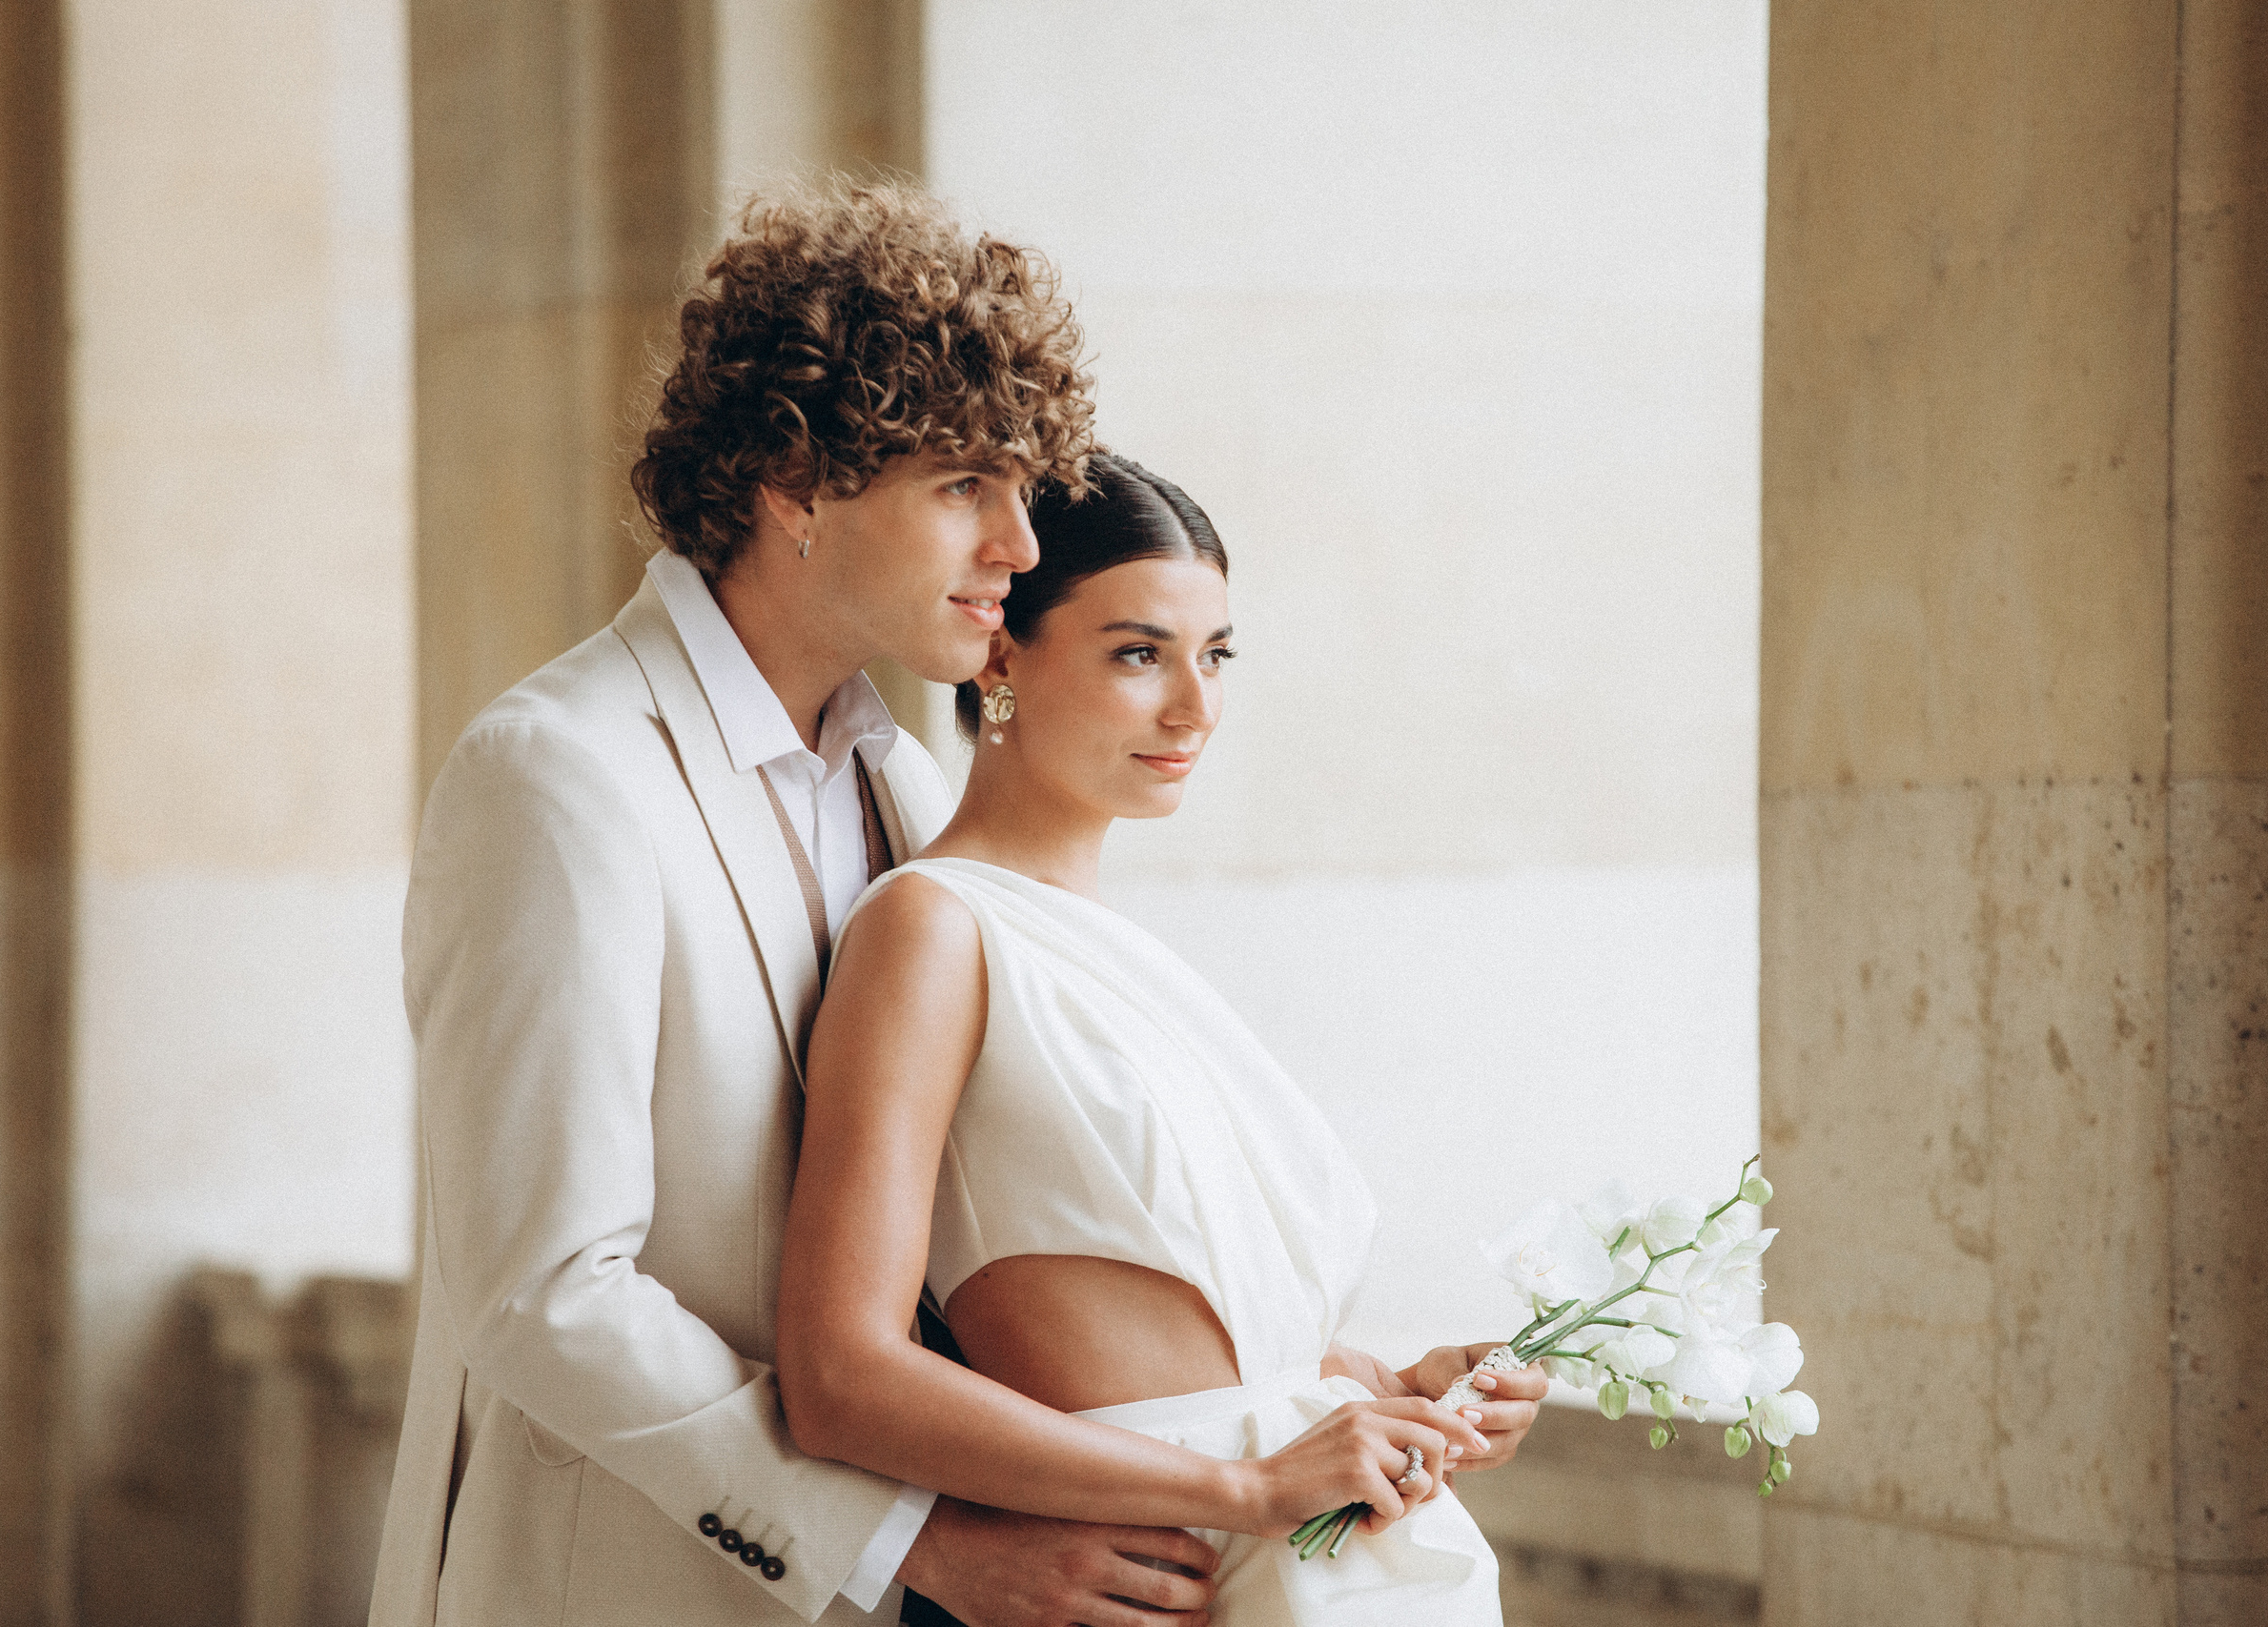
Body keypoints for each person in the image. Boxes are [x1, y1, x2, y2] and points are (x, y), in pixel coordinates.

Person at [369, 185, 1236, 1627]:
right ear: (792, 480)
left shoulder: (900, 790)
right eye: (966, 485)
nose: (1021, 546)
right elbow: (546, 1290)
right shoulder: (559, 773)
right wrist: (915, 1542)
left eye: (1023, 487)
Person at [778, 455, 1541, 1625]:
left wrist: (1387, 1390)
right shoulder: (932, 930)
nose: (1196, 706)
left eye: (1216, 654)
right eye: (1139, 653)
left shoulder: (1121, 952)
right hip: (1159, 1575)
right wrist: (1241, 1485)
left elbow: (1201, 1352)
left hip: (1300, 1560)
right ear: (999, 657)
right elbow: (840, 1378)